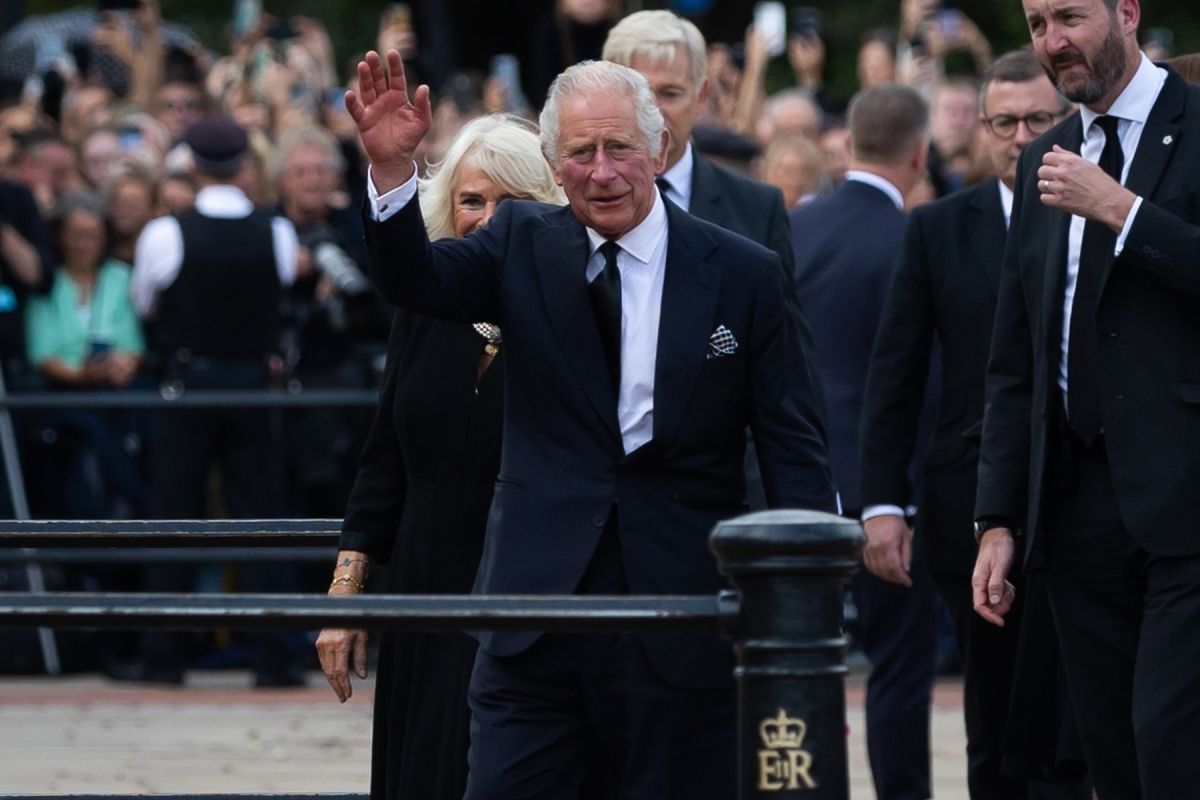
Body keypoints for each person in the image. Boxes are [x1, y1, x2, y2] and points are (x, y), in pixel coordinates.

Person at [343, 51, 836, 797]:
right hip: (532, 617)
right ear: (552, 164)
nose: (601, 172)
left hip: (680, 616)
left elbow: (793, 447)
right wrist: (390, 173)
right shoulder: (519, 242)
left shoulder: (744, 272)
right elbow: (418, 281)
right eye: (579, 153)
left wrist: (807, 609)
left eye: (619, 148)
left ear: (659, 150)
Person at [972, 1, 1200, 798]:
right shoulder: (1047, 155)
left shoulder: (1195, 125)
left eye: (1069, 16)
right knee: (1112, 760)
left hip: (1187, 501)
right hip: (1073, 510)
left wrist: (1121, 210)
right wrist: (998, 518)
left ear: (1127, 12)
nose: (1054, 42)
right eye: (1037, 24)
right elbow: (1015, 361)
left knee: (1172, 750)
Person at [315, 113, 565, 800]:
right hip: (424, 593)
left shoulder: (576, 312)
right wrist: (345, 595)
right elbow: (383, 462)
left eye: (514, 202)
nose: (489, 220)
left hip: (531, 599)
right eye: (473, 200)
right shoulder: (423, 312)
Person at [858, 50, 1085, 800]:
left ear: (1069, 120)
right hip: (969, 503)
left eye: (1038, 119)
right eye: (1004, 122)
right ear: (981, 129)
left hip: (1092, 501)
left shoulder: (1104, 209)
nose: (1021, 137)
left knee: (1084, 726)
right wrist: (883, 503)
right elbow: (895, 376)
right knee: (993, 727)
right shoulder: (938, 229)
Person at [601, 9, 822, 511]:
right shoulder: (559, 205)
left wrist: (795, 512)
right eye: (639, 94)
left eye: (670, 93)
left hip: (722, 504)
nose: (653, 113)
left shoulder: (755, 209)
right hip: (590, 504)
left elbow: (787, 378)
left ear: (702, 96)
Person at [790, 84, 938, 800]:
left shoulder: (794, 228)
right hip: (885, 492)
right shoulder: (913, 239)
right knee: (900, 667)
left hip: (796, 484)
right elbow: (921, 383)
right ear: (921, 152)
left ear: (847, 144)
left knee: (795, 665)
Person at [129, 116, 301, 686]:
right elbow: (280, 291)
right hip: (252, 384)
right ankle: (272, 658)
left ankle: (162, 656)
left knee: (173, 516)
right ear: (244, 164)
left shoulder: (166, 232)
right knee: (261, 520)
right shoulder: (276, 230)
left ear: (192, 165)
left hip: (189, 385)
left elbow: (145, 304)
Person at [24, 192, 145, 519]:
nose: (85, 244)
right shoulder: (47, 281)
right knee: (86, 428)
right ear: (60, 236)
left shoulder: (120, 276)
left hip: (115, 391)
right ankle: (129, 502)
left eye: (93, 235)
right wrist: (82, 375)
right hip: (60, 394)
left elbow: (133, 342)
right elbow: (41, 350)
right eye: (76, 235)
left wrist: (123, 363)